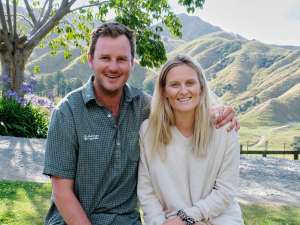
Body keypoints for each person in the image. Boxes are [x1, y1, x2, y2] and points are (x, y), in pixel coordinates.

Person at [43, 22, 240, 225]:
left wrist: (219, 112)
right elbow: (61, 193)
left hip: (126, 221)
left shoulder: (145, 106)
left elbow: (183, 106)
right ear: (91, 60)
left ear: (131, 64)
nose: (113, 67)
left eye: (121, 59)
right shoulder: (67, 112)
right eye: (105, 58)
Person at [138, 55, 244, 225]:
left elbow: (225, 191)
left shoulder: (225, 128)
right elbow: (147, 193)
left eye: (190, 83)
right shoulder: (148, 131)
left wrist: (184, 219)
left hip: (218, 220)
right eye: (174, 84)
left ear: (201, 86)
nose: (184, 91)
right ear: (164, 90)